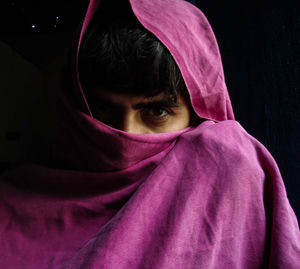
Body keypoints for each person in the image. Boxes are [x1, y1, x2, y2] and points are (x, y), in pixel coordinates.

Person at [0, 0, 299, 268]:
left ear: (197, 112)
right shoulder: (14, 201)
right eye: (103, 109)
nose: (124, 134)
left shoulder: (222, 162)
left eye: (155, 112)